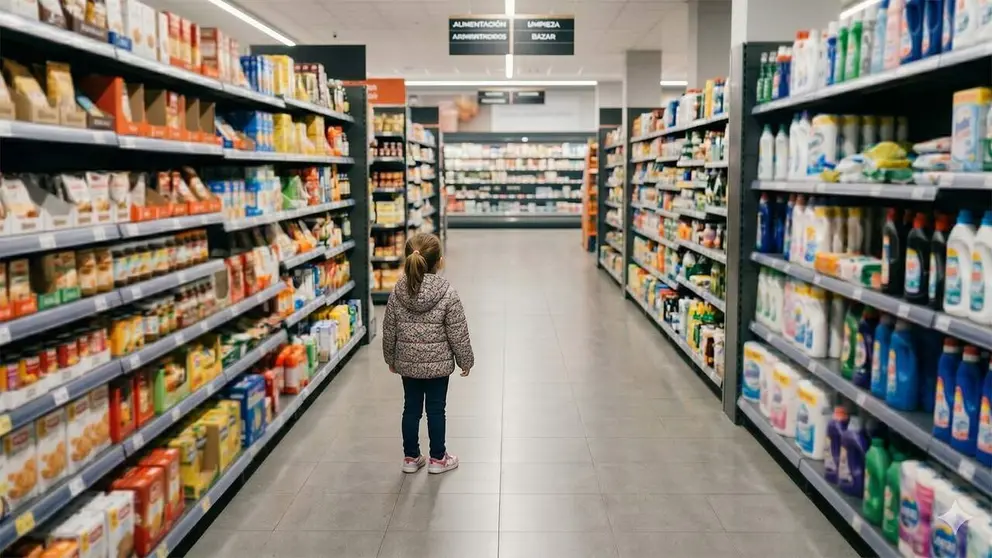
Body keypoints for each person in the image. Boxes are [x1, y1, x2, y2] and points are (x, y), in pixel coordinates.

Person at [382, 232, 474, 474]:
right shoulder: (447, 293)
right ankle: (437, 458)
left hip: (408, 365)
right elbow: (458, 332)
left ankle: (410, 458)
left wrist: (390, 358)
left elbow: (389, 329)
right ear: (439, 261)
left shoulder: (397, 292)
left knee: (410, 409)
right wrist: (466, 361)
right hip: (438, 367)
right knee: (436, 409)